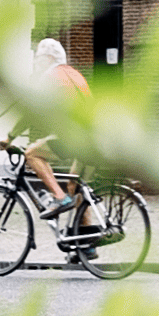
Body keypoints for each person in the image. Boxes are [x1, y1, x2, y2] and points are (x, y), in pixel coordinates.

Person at [21, 39, 96, 227]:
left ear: (48, 58)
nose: (35, 62)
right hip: (95, 137)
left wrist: (10, 137)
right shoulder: (75, 74)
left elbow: (32, 112)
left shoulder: (50, 75)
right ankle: (87, 238)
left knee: (32, 153)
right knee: (76, 187)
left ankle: (59, 197)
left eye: (38, 57)